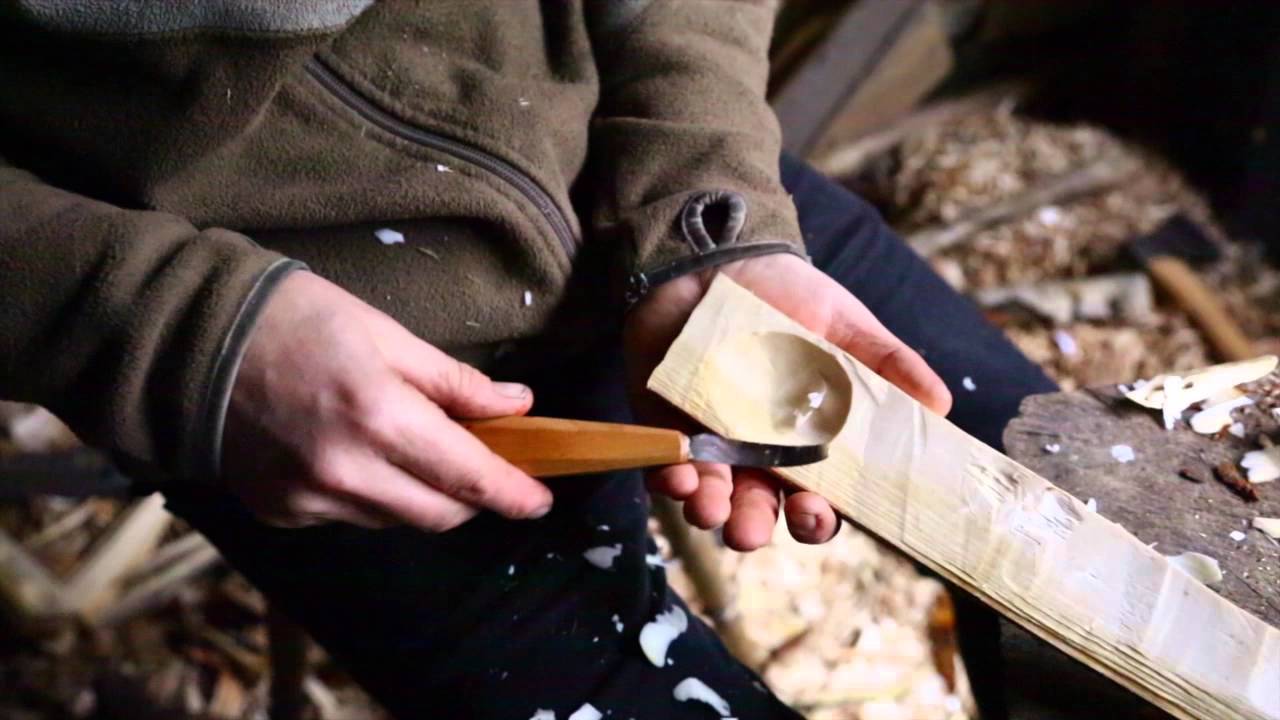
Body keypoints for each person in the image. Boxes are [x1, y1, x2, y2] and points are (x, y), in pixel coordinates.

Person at [0, 2, 1055, 718]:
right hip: (301, 364)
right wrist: (165, 326)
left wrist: (708, 196)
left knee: (1085, 525)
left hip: (652, 157)